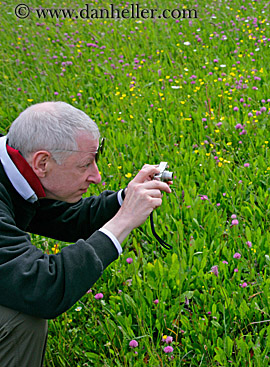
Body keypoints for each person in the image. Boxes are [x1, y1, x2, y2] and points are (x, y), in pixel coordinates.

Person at [0, 101, 171, 366]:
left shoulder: (15, 165)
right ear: (42, 162)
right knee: (22, 317)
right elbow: (42, 287)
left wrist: (124, 199)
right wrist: (123, 222)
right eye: (85, 165)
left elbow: (61, 217)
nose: (97, 176)